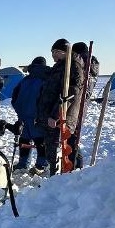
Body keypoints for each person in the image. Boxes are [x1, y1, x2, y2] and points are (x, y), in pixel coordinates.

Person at [37, 39, 85, 175]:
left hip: (61, 118)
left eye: (56, 51)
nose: (53, 55)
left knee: (60, 151)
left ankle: (57, 180)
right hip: (51, 117)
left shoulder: (73, 66)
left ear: (65, 52)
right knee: (51, 151)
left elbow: (70, 93)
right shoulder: (59, 66)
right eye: (52, 52)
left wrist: (55, 115)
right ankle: (52, 177)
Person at [11, 57, 49, 173]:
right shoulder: (46, 80)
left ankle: (23, 163)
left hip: (23, 116)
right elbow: (47, 99)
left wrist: (19, 110)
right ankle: (41, 165)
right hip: (37, 117)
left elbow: (14, 96)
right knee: (40, 141)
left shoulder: (24, 80)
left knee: (24, 141)